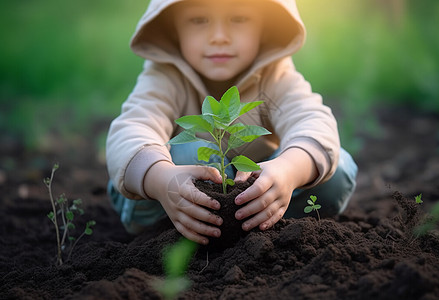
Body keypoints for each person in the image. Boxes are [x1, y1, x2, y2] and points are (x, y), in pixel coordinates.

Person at [106, 0, 358, 245]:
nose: (219, 36)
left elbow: (312, 120)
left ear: (265, 25)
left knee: (336, 168)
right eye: (198, 20)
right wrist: (160, 178)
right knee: (199, 155)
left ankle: (262, 223)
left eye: (239, 19)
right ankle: (178, 229)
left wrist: (289, 170)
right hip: (165, 200)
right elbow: (133, 128)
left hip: (249, 198)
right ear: (173, 28)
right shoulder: (165, 75)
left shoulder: (275, 74)